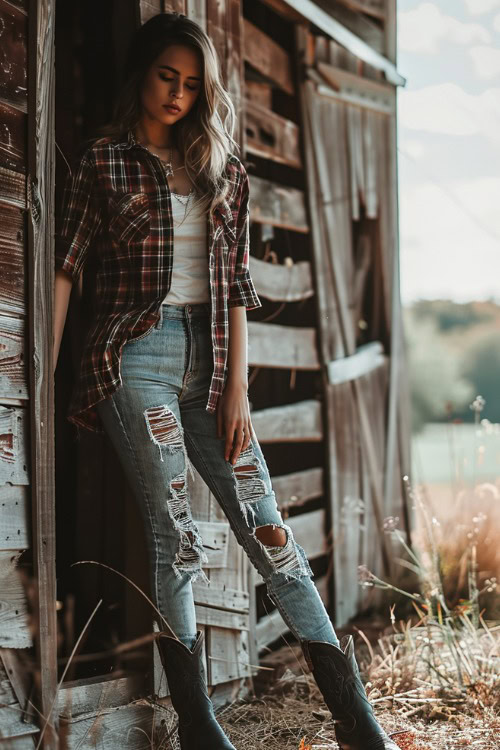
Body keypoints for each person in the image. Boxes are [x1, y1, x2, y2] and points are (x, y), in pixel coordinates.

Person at [53, 12, 398, 750]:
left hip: (212, 369)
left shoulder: (224, 171)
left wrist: (237, 387)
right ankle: (199, 726)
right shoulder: (104, 162)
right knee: (174, 534)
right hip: (135, 360)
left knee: (271, 532)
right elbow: (66, 268)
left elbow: (237, 288)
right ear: (141, 75)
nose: (177, 94)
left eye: (190, 83)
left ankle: (355, 719)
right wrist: (46, 375)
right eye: (165, 77)